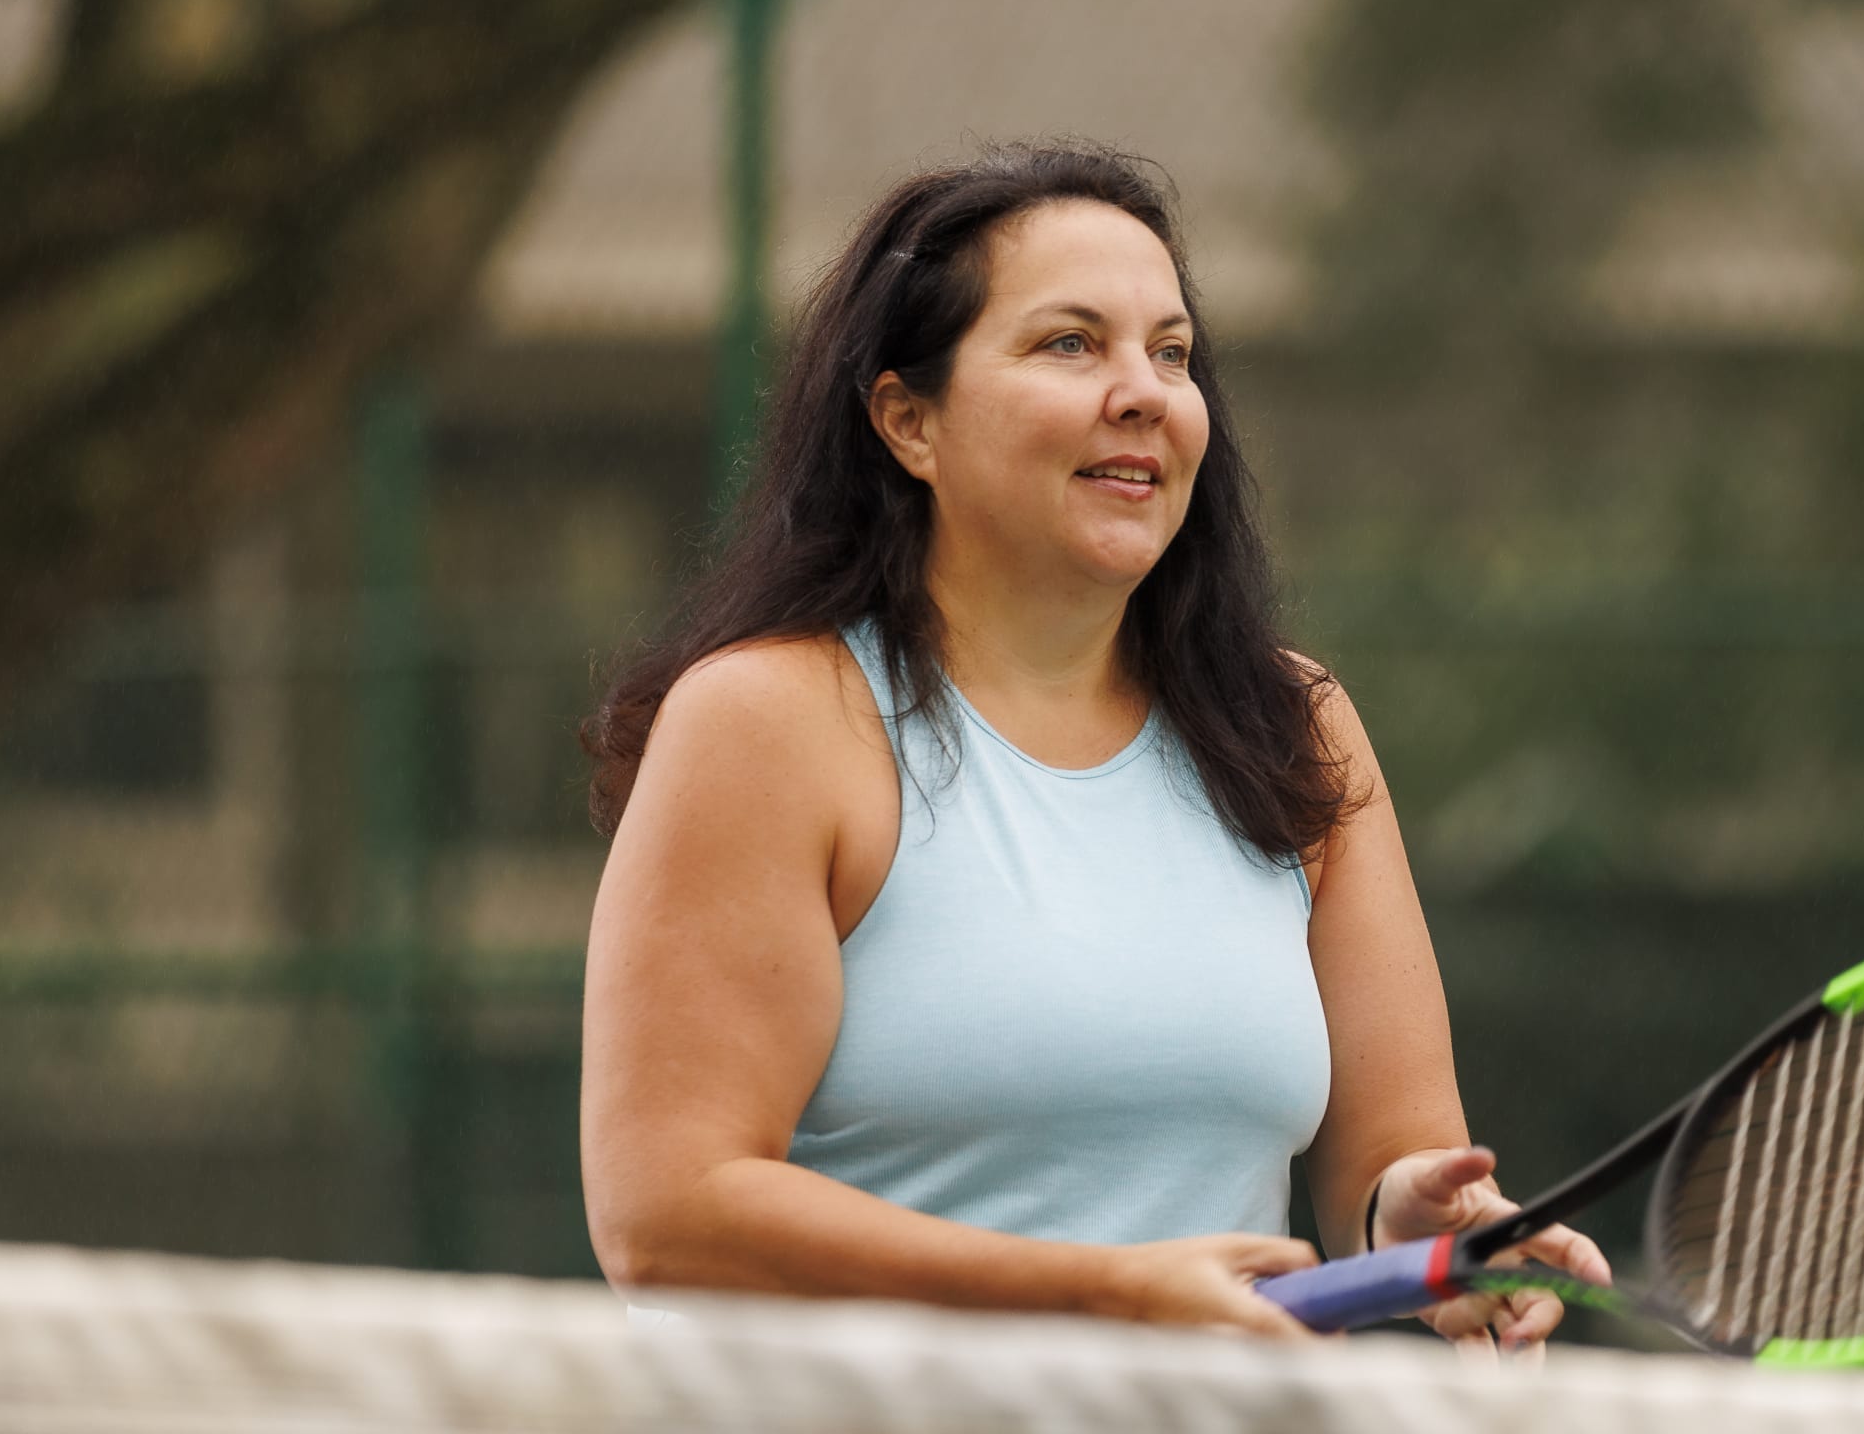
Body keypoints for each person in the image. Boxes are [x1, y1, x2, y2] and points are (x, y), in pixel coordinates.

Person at [575, 142, 1604, 1352]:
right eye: (1071, 344)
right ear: (910, 422)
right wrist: (1100, 1289)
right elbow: (669, 1214)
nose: (1144, 392)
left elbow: (1390, 1165)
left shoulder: (1294, 726)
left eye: (1170, 353)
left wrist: (1429, 1234)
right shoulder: (768, 721)